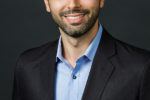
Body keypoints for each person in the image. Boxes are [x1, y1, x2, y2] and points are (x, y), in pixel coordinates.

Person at [12, 0, 150, 100]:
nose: (73, 4)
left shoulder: (141, 68)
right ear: (47, 3)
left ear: (101, 0)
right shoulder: (27, 67)